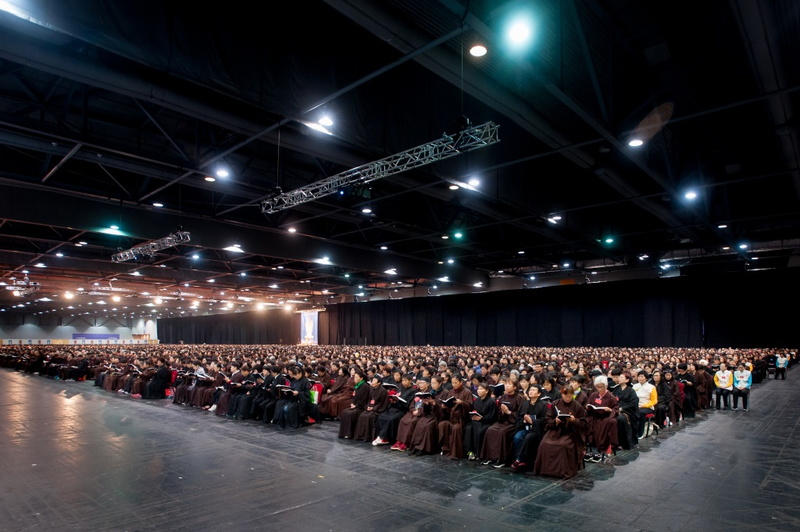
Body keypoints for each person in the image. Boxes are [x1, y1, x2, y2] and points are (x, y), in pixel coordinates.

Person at [534, 384, 587, 479]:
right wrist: (555, 421)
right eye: (565, 396)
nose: (567, 398)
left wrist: (574, 420)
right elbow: (548, 418)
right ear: (562, 395)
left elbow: (583, 423)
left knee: (564, 445)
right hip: (556, 430)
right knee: (544, 443)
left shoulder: (577, 406)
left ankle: (562, 471)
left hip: (570, 432)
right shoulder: (555, 403)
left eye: (570, 396)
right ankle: (545, 470)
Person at [480, 380, 525, 468]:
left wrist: (508, 412)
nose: (507, 386)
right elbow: (498, 411)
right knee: (490, 430)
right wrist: (502, 412)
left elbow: (521, 415)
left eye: (509, 384)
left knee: (502, 433)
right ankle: (489, 456)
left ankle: (501, 459)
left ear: (515, 387)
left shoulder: (520, 398)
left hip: (512, 423)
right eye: (506, 384)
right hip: (503, 420)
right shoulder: (503, 397)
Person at [436, 373, 475, 459]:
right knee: (442, 425)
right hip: (451, 417)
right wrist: (444, 406)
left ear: (461, 382)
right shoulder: (451, 391)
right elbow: (448, 405)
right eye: (452, 383)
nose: (453, 385)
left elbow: (470, 406)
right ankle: (446, 449)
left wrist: (462, 403)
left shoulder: (467, 392)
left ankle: (456, 453)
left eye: (455, 383)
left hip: (461, 419)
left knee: (456, 428)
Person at [510, 384, 548, 471]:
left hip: (536, 430)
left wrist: (532, 421)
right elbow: (518, 417)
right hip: (525, 427)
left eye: (534, 390)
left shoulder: (543, 405)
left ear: (539, 394)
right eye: (530, 390)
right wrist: (524, 421)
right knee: (517, 437)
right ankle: (522, 460)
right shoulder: (525, 404)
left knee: (528, 437)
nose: (531, 391)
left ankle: (519, 460)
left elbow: (544, 420)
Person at [374, 373, 416, 446]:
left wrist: (398, 401)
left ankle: (385, 438)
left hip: (402, 409)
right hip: (394, 407)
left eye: (405, 381)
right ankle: (379, 436)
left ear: (410, 381)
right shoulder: (400, 388)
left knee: (391, 419)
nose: (403, 382)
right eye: (402, 381)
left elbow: (408, 403)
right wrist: (393, 400)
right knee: (382, 416)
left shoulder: (412, 391)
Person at [584, 376, 619, 463]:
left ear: (606, 386)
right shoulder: (593, 395)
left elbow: (616, 409)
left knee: (608, 423)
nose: (599, 389)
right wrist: (588, 407)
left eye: (601, 387)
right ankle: (587, 448)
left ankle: (604, 448)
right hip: (594, 416)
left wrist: (609, 410)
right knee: (586, 422)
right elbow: (588, 405)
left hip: (605, 417)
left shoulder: (611, 397)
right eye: (597, 387)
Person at [463, 381, 498, 461]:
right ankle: (470, 451)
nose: (479, 391)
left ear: (486, 391)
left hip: (486, 422)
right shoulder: (477, 400)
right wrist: (473, 416)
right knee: (468, 429)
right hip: (476, 421)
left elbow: (492, 416)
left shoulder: (491, 401)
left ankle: (478, 452)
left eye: (481, 389)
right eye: (478, 389)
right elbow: (473, 410)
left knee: (480, 431)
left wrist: (482, 418)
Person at [354, 375, 389, 442]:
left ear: (379, 383)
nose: (372, 382)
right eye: (372, 380)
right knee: (362, 415)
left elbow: (382, 403)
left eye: (374, 380)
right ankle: (360, 435)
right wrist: (368, 406)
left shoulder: (383, 391)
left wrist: (373, 408)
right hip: (370, 407)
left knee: (369, 417)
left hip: (377, 409)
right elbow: (369, 400)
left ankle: (367, 437)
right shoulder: (371, 389)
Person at [338, 369, 370, 438]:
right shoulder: (357, 386)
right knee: (344, 412)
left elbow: (364, 400)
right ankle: (344, 433)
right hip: (355, 405)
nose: (354, 379)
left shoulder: (365, 386)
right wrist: (352, 403)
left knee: (350, 414)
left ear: (361, 378)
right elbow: (354, 397)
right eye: (354, 377)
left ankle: (349, 434)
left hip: (361, 407)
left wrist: (356, 405)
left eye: (356, 377)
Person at [612, 370, 639, 449]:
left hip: (628, 411)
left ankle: (624, 442)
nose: (619, 379)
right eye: (619, 377)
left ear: (627, 380)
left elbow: (633, 404)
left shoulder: (631, 391)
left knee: (620, 419)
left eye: (621, 377)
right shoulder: (616, 389)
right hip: (617, 409)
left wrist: (622, 408)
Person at [632, 370, 657, 439]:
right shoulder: (634, 386)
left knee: (641, 412)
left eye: (642, 376)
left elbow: (654, 401)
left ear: (646, 378)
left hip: (647, 407)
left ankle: (640, 433)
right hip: (636, 405)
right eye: (639, 376)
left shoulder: (651, 387)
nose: (640, 378)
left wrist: (644, 405)